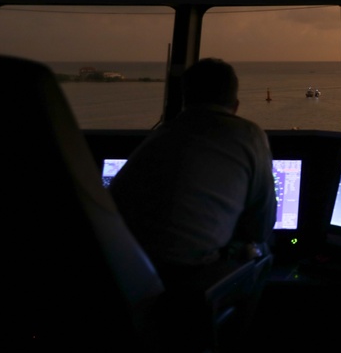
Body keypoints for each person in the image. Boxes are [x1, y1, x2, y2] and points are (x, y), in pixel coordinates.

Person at [109, 57, 277, 288]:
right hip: (184, 279)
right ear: (236, 106)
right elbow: (261, 226)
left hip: (122, 269)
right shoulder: (249, 135)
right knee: (262, 252)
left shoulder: (161, 134)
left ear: (184, 99)